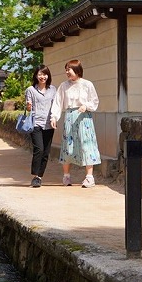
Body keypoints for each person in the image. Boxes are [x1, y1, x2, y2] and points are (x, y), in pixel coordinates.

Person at [49, 59, 101, 188]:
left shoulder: (87, 84)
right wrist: (54, 117)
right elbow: (58, 102)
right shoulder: (63, 86)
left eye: (69, 69)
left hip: (84, 118)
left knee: (87, 144)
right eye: (66, 69)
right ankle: (66, 176)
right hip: (70, 117)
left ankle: (89, 177)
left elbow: (94, 101)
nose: (67, 72)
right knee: (68, 146)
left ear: (77, 70)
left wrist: (86, 106)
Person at [23, 66, 57, 188]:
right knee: (39, 149)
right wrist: (28, 106)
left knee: (46, 152)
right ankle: (34, 176)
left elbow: (56, 106)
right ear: (36, 76)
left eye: (45, 74)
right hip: (35, 123)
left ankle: (39, 177)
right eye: (40, 74)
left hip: (49, 124)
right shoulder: (30, 90)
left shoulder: (53, 89)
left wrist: (54, 118)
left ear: (48, 75)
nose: (42, 77)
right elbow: (28, 107)